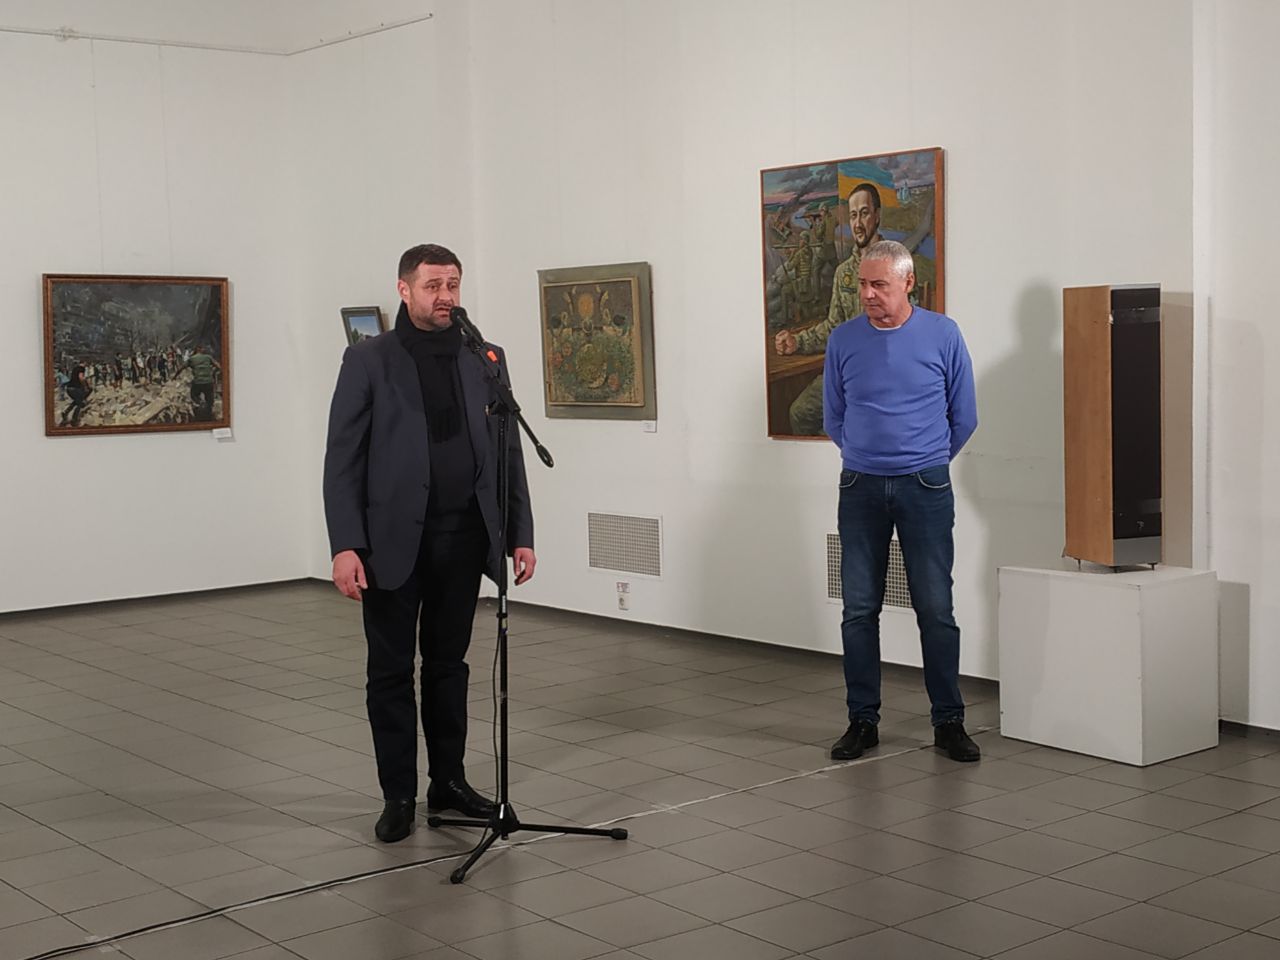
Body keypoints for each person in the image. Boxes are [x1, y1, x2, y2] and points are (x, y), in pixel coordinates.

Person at [323, 243, 536, 843]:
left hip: (463, 537)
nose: (446, 296)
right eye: (433, 285)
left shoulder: (484, 357)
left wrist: (519, 533)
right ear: (404, 290)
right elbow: (342, 459)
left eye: (453, 284)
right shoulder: (368, 359)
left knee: (448, 667)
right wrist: (345, 545)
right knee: (391, 672)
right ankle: (398, 795)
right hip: (390, 543)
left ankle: (448, 782)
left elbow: (508, 453)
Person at [824, 240, 980, 763]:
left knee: (935, 608)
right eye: (862, 285)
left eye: (879, 285)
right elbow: (833, 415)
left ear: (908, 283)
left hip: (925, 486)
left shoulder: (943, 334)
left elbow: (965, 415)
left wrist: (925, 459)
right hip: (860, 486)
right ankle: (862, 721)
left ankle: (949, 721)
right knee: (858, 609)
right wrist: (866, 454)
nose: (868, 294)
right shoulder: (844, 339)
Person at [776, 183, 885, 435]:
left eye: (864, 213)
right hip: (844, 374)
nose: (858, 223)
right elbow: (834, 327)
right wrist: (797, 341)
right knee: (800, 413)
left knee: (854, 425)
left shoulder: (895, 267)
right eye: (853, 215)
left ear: (878, 215)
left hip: (881, 378)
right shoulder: (843, 272)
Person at [180, 344, 221, 419]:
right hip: (208, 382)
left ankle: (200, 404)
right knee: (210, 399)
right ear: (199, 349)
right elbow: (218, 366)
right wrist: (213, 372)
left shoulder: (192, 359)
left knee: (193, 395)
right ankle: (209, 414)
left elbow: (181, 368)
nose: (204, 349)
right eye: (203, 348)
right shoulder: (208, 357)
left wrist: (174, 376)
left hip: (197, 382)